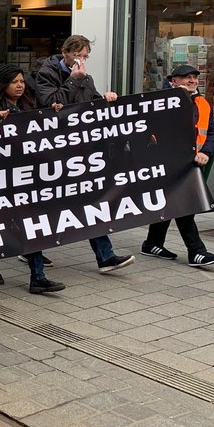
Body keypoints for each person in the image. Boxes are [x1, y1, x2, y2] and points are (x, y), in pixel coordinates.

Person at [35, 35, 136, 273]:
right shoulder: (46, 73)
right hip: (53, 151)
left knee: (89, 200)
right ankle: (31, 250)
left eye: (85, 56)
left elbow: (92, 104)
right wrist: (72, 81)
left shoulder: (86, 78)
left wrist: (106, 99)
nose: (81, 60)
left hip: (79, 151)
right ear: (65, 52)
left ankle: (105, 257)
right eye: (78, 55)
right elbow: (49, 103)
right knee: (47, 205)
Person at [0, 64, 65, 294]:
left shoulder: (28, 102)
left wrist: (53, 111)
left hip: (27, 177)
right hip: (1, 178)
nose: (20, 86)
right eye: (14, 82)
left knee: (32, 224)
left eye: (22, 81)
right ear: (3, 85)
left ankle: (38, 277)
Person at [141, 65, 214, 267]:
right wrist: (179, 99)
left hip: (194, 163)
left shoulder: (203, 103)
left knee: (172, 204)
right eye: (187, 78)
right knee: (184, 205)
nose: (192, 81)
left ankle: (152, 243)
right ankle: (196, 252)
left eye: (195, 77)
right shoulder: (162, 103)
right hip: (171, 164)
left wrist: (206, 152)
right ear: (174, 81)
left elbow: (213, 132)